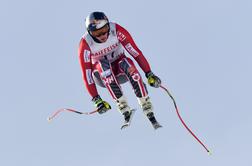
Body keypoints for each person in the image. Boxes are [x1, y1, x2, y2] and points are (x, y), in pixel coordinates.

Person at [78, 11, 162, 129]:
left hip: (120, 68)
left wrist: (149, 73)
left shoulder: (116, 30)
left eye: (104, 29)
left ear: (108, 25)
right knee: (103, 65)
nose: (102, 35)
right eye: (97, 33)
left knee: (127, 63)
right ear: (89, 33)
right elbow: (87, 74)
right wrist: (96, 99)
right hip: (101, 76)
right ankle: (122, 105)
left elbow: (135, 52)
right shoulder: (85, 44)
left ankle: (145, 102)